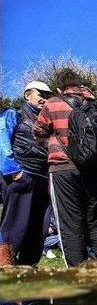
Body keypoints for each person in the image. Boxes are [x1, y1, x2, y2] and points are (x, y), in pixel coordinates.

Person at [33, 70, 97, 267]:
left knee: (70, 225)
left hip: (64, 169)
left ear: (59, 88)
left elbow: (38, 132)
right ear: (81, 86)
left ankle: (78, 279)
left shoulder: (53, 103)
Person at [0, 81, 52, 266]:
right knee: (15, 223)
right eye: (41, 94)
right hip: (22, 175)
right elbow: (2, 139)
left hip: (44, 179)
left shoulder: (48, 122)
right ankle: (5, 264)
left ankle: (29, 265)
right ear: (27, 94)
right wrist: (14, 171)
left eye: (48, 96)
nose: (45, 99)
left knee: (39, 226)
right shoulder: (15, 114)